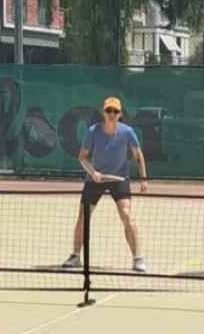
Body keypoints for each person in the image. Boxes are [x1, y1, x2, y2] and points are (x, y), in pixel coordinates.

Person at [61, 96, 150, 272]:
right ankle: (75, 256)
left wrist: (143, 179)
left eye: (115, 111)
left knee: (126, 215)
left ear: (120, 114)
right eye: (109, 110)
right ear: (103, 112)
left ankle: (138, 258)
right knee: (83, 217)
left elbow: (138, 156)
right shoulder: (93, 131)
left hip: (119, 179)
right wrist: (92, 172)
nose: (112, 114)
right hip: (96, 179)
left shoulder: (127, 132)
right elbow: (82, 158)